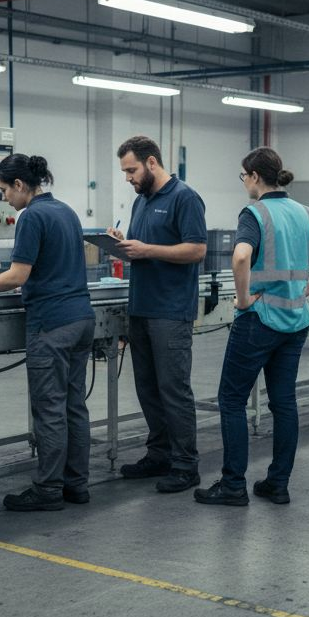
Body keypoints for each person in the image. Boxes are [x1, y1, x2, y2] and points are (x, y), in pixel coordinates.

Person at [195, 147, 309, 506]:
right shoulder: (305, 213)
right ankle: (277, 484)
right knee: (284, 402)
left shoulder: (255, 213)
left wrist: (244, 299)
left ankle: (233, 485)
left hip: (259, 322)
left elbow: (241, 255)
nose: (243, 182)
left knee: (231, 400)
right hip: (294, 322)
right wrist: (305, 289)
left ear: (254, 176)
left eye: (242, 176)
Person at [0, 154, 95, 511]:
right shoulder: (66, 211)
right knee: (73, 406)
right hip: (81, 319)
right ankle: (76, 485)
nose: (4, 198)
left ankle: (49, 490)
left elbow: (18, 276)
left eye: (4, 190)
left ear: (20, 185)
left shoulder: (31, 216)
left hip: (51, 325)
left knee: (49, 409)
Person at [106, 136, 208, 493]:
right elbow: (144, 252)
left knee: (173, 389)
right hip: (142, 307)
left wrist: (147, 248)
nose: (128, 178)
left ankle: (185, 464)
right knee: (148, 389)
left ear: (151, 163)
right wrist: (123, 244)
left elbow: (196, 250)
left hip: (170, 310)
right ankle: (159, 454)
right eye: (125, 171)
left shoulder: (185, 198)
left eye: (131, 170)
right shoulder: (142, 202)